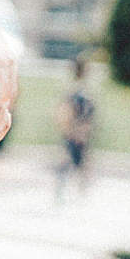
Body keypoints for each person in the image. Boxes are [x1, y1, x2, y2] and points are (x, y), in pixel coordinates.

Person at [54, 56, 95, 200]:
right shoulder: (82, 93)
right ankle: (79, 193)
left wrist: (68, 129)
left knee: (72, 161)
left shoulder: (74, 92)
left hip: (74, 132)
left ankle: (74, 192)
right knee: (77, 162)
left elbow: (65, 113)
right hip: (77, 132)